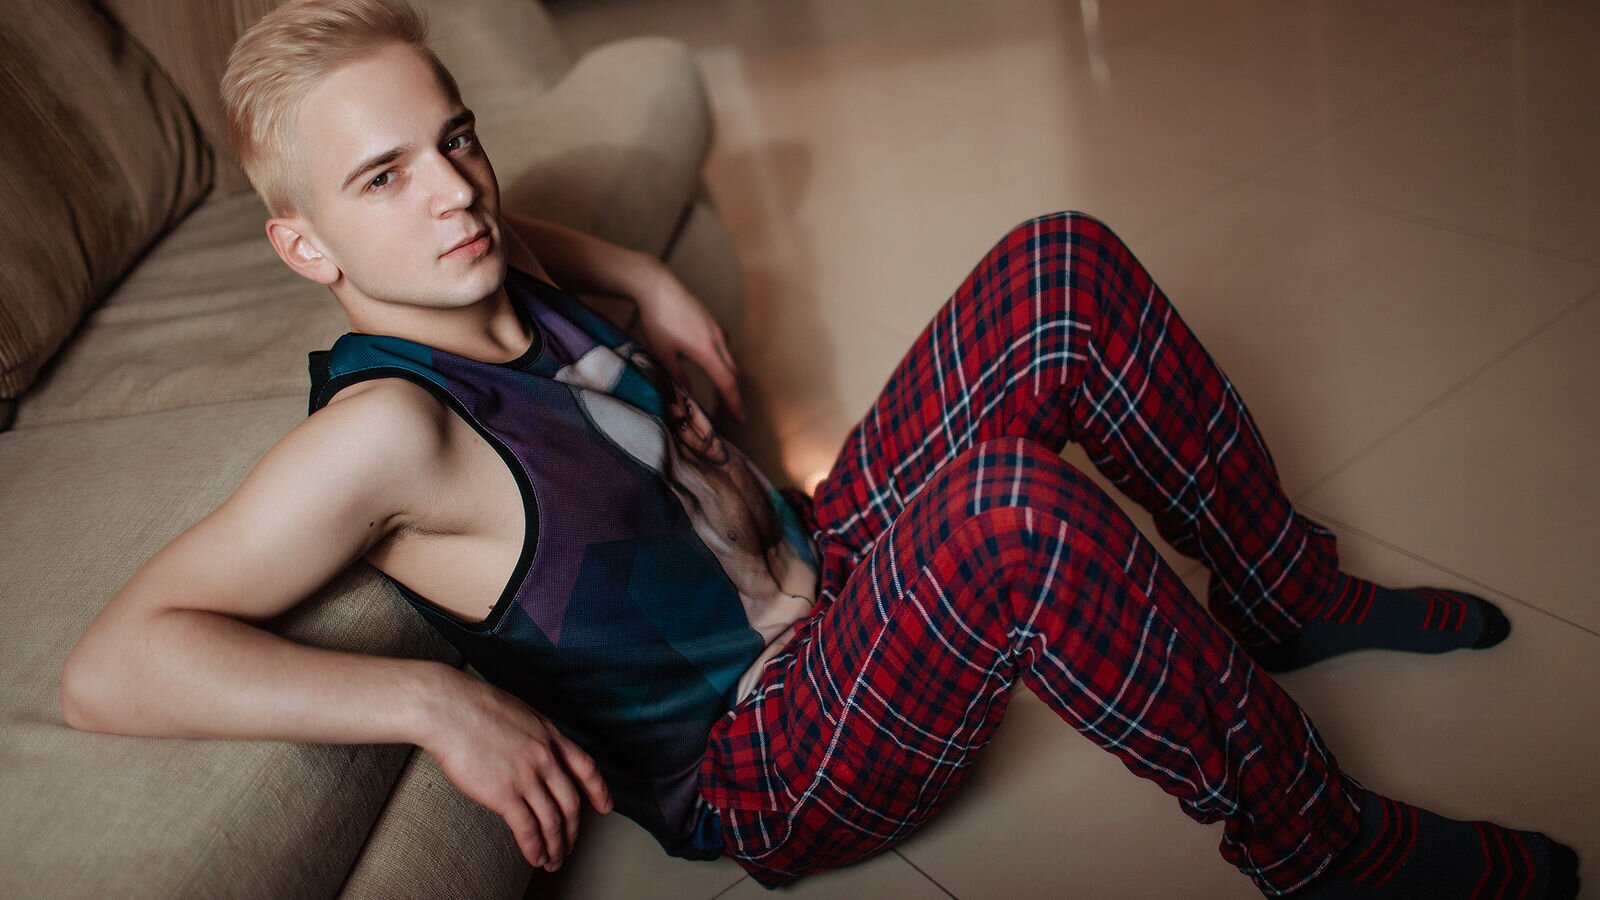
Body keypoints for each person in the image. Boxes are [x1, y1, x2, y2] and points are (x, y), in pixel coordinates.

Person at [56, 1, 1579, 897]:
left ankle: (1280, 590)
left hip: (822, 551)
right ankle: (1324, 851)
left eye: (456, 137)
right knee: (1009, 513)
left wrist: (639, 277)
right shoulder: (387, 431)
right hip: (771, 748)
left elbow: (497, 227)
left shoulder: (476, 250)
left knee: (1059, 267)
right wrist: (429, 702)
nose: (454, 193)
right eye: (383, 178)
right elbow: (113, 666)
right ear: (307, 246)